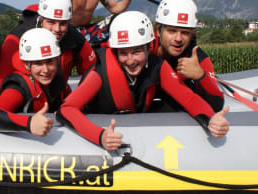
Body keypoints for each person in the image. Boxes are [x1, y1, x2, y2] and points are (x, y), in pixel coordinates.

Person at [57, 11, 230, 151]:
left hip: (134, 125)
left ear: (148, 48)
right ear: (115, 51)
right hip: (102, 130)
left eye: (137, 52)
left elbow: (188, 98)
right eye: (123, 53)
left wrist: (211, 119)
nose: (130, 60)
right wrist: (100, 136)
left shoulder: (158, 66)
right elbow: (66, 109)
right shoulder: (100, 73)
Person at [0, 0, 96, 104]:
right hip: (26, 100)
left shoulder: (74, 37)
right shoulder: (18, 36)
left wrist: (78, 103)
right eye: (51, 22)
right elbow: (1, 74)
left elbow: (93, 71)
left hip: (57, 101)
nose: (57, 29)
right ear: (41, 19)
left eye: (63, 23)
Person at [0, 28, 69, 136]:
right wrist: (29, 123)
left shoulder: (58, 80)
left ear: (57, 60)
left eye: (50, 62)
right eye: (38, 63)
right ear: (26, 64)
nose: (46, 70)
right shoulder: (18, 87)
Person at [151, 0, 224, 112]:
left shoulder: (197, 58)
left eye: (184, 32)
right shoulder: (143, 49)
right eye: (172, 31)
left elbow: (217, 104)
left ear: (192, 35)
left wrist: (200, 76)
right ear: (159, 31)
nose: (178, 38)